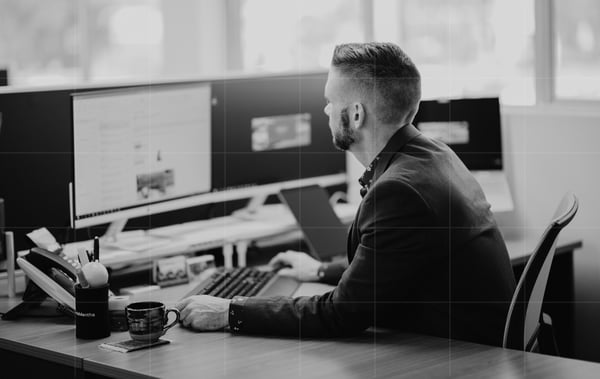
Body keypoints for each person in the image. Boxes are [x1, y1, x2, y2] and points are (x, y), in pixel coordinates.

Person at [175, 42, 516, 347]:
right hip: (464, 341)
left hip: (464, 358)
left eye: (329, 101)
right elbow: (388, 262)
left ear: (355, 114)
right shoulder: (433, 154)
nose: (325, 110)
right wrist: (320, 271)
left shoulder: (400, 191)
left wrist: (231, 311)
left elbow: (342, 314)